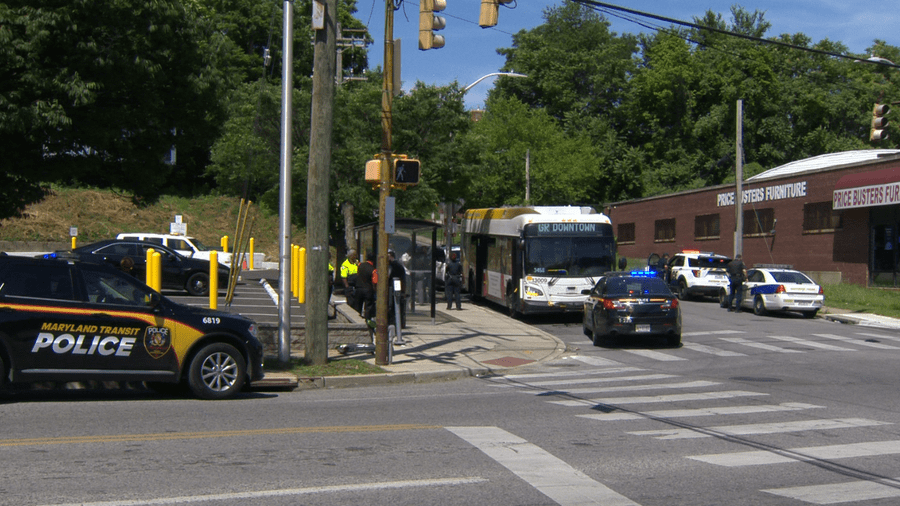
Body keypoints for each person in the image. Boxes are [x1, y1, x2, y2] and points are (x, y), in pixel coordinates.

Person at [355, 252, 377, 321]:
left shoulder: (360, 265)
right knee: (368, 306)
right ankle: (367, 320)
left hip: (359, 288)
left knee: (358, 305)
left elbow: (358, 274)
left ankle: (357, 319)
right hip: (368, 290)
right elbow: (375, 281)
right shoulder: (373, 270)